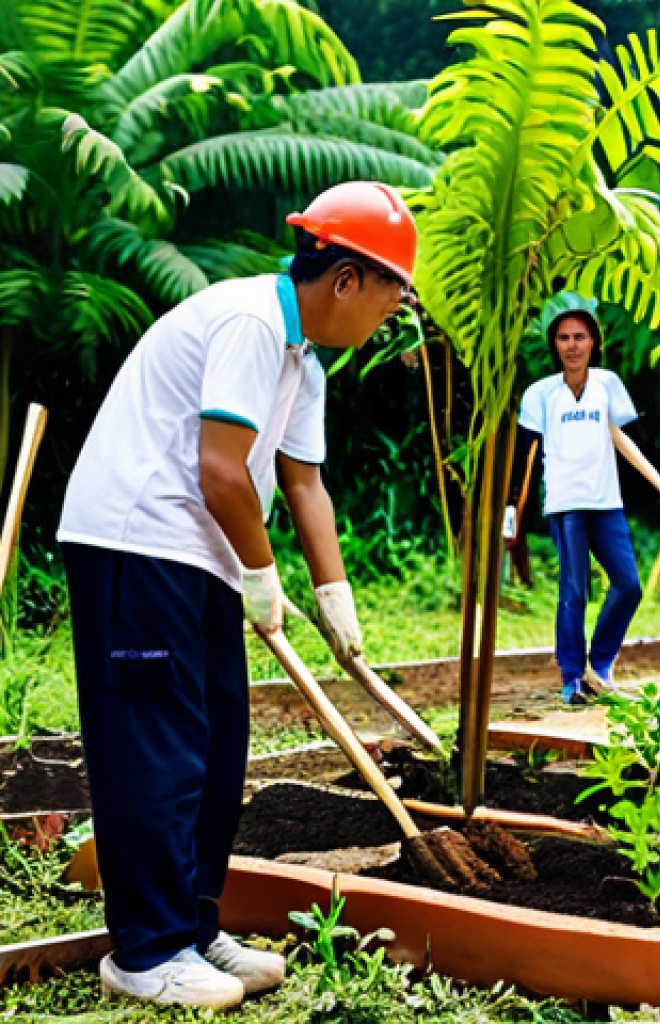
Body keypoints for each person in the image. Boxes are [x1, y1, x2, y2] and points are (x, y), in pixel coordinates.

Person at [57, 181, 417, 1007]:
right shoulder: (254, 320)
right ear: (349, 280)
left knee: (219, 750)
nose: (390, 318)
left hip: (202, 552)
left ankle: (192, 925)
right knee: (159, 747)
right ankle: (145, 953)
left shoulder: (303, 359)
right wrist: (264, 577)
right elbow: (220, 471)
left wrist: (334, 595)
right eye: (394, 297)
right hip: (136, 540)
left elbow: (303, 482)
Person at [511, 299, 660, 706]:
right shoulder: (541, 394)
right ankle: (571, 679)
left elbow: (620, 438)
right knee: (574, 591)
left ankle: (599, 665)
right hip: (565, 505)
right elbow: (526, 457)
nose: (572, 345)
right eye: (564, 338)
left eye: (579, 337)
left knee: (629, 586)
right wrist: (511, 510)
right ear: (555, 345)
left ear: (592, 342)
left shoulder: (607, 384)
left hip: (607, 503)